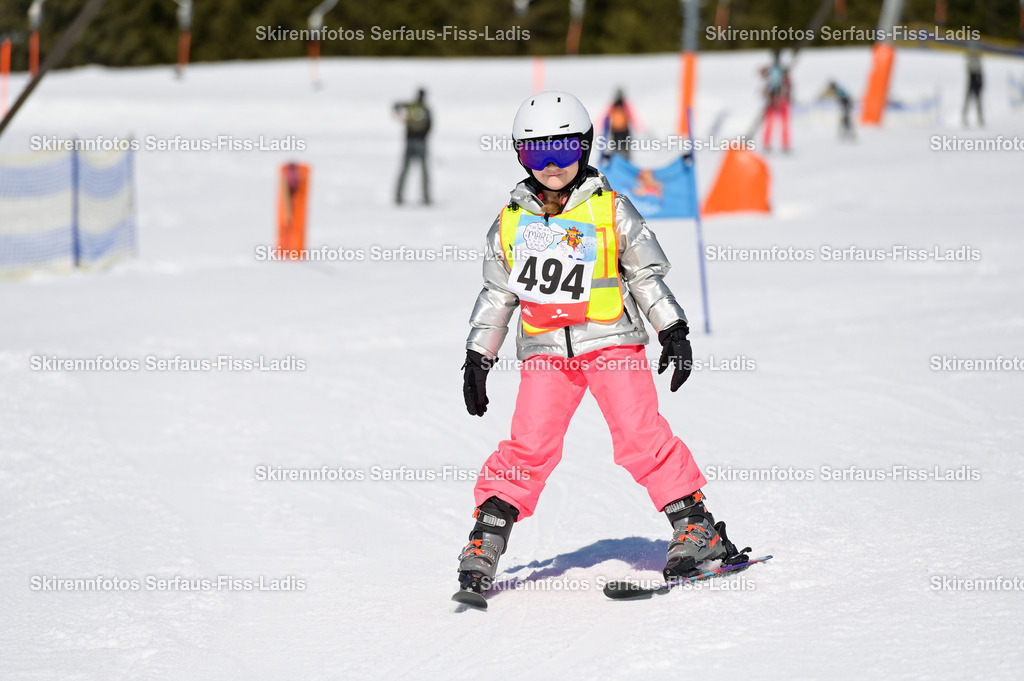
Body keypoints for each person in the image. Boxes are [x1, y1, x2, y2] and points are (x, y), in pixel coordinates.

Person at [454, 91, 744, 603]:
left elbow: (646, 274)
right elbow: (498, 292)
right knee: (529, 447)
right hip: (545, 350)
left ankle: (697, 530)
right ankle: (487, 539)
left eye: (562, 149)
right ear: (519, 155)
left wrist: (672, 329)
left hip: (612, 342)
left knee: (640, 436)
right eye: (535, 153)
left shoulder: (611, 209)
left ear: (584, 147)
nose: (550, 165)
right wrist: (480, 355)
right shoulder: (511, 221)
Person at [393, 88, 432, 205]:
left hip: (411, 140)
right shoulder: (424, 109)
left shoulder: (412, 106)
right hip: (419, 141)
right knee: (421, 170)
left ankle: (399, 196)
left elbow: (396, 106)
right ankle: (425, 197)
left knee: (407, 169)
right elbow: (430, 125)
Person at [761, 50, 792, 153]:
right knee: (774, 123)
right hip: (775, 100)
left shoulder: (780, 71)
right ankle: (771, 144)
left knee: (780, 124)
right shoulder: (778, 70)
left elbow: (787, 85)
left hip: (779, 100)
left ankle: (782, 145)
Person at [600, 89, 641, 162]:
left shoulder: (616, 105)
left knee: (618, 147)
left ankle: (620, 160)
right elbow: (631, 116)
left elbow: (606, 117)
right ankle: (623, 160)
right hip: (621, 130)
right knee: (622, 147)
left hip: (618, 130)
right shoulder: (621, 105)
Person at [963, 44, 984, 127]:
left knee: (978, 100)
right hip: (972, 79)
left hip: (976, 79)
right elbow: (968, 69)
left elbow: (980, 70)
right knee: (968, 99)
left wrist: (980, 82)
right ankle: (965, 117)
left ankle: (980, 117)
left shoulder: (977, 58)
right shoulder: (969, 58)